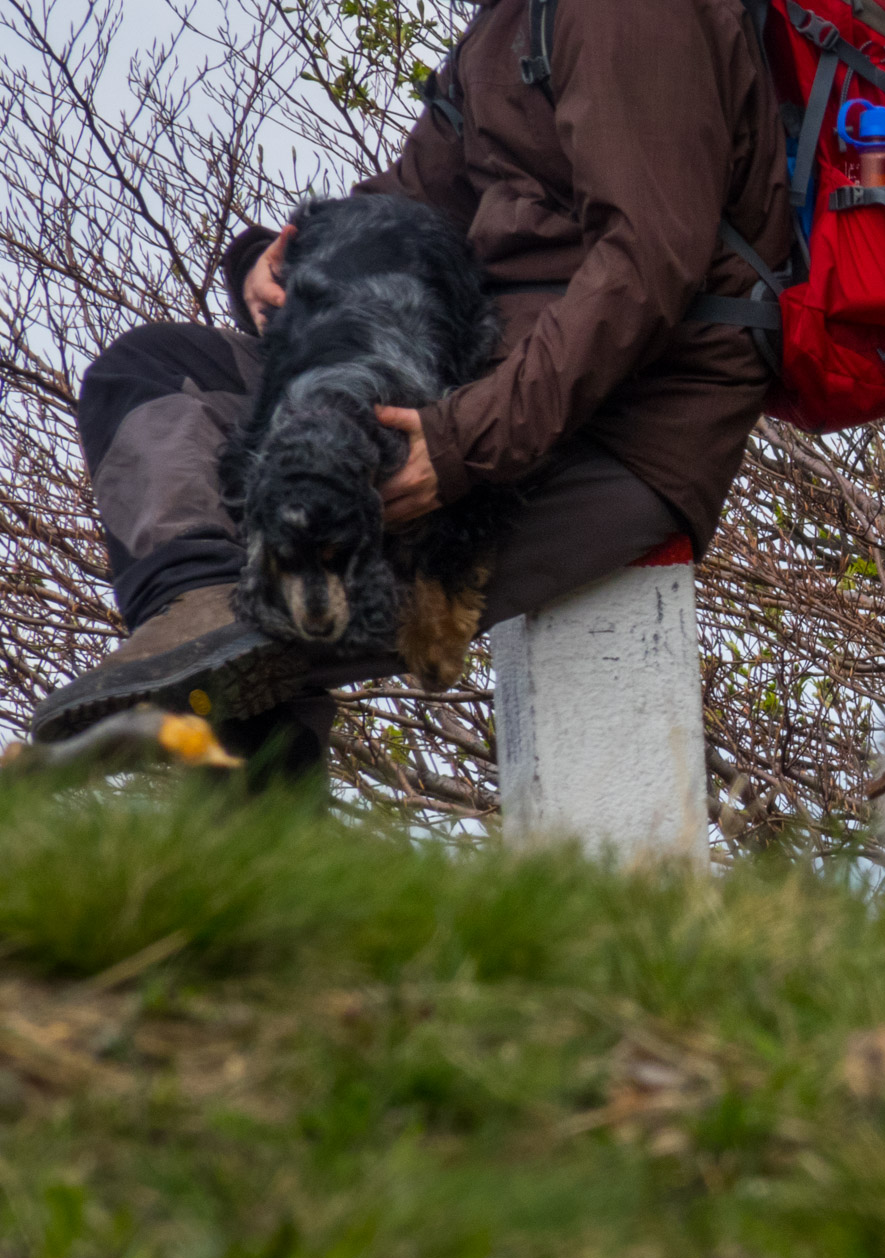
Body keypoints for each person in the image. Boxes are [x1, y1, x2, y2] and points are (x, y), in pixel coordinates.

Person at [33, 0, 790, 776]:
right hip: (455, 377)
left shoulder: (629, 14)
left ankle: (219, 673)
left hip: (604, 425)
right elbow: (409, 211)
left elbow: (648, 267)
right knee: (157, 373)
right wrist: (284, 261)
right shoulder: (510, 22)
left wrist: (464, 443)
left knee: (296, 561)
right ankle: (198, 611)